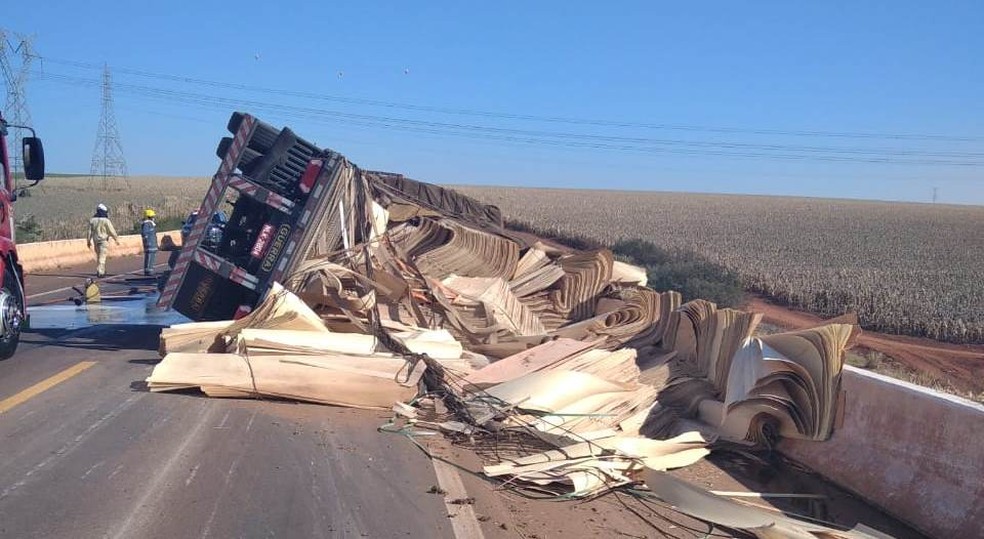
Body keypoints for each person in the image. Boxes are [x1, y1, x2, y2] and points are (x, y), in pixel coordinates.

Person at [86, 203, 120, 277]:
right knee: (102, 256)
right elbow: (111, 231)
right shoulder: (106, 221)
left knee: (99, 256)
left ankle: (102, 270)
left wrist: (88, 241)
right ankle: (100, 271)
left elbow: (89, 232)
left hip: (95, 241)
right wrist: (116, 239)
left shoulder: (92, 220)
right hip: (103, 241)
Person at [140, 208, 159, 276]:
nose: (153, 218)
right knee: (149, 257)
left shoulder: (151, 224)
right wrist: (147, 242)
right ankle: (148, 271)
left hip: (153, 244)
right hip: (149, 244)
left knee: (152, 257)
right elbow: (144, 233)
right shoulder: (146, 224)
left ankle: (150, 270)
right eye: (152, 216)